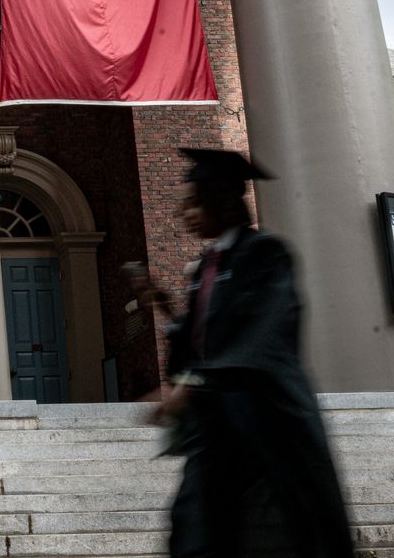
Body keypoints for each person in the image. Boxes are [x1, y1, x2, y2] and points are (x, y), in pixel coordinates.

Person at [126, 147, 354, 558]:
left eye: (194, 204)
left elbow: (259, 335)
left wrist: (194, 384)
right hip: (218, 424)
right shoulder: (205, 266)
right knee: (194, 530)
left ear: (223, 201)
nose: (186, 215)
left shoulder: (265, 254)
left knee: (290, 535)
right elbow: (199, 343)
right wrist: (161, 306)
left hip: (268, 417)